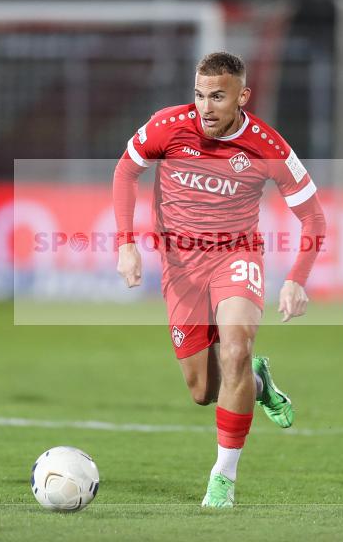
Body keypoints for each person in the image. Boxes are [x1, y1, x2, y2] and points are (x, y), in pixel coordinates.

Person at [113, 52, 326, 507]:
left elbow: (313, 217)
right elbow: (126, 170)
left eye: (217, 96)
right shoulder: (169, 127)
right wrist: (125, 243)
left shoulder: (268, 146)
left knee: (234, 348)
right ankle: (260, 382)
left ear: (242, 97)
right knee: (203, 390)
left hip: (236, 254)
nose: (205, 107)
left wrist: (297, 278)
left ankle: (223, 478)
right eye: (199, 95)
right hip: (180, 268)